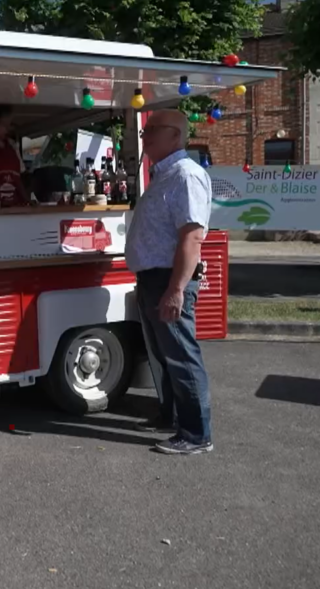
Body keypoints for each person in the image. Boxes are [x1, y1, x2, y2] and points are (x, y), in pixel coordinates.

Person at [124, 109, 213, 455]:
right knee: (163, 355)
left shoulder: (185, 176)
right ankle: (171, 417)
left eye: (151, 131)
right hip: (154, 277)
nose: (144, 136)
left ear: (175, 136)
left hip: (168, 278)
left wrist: (176, 289)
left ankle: (196, 435)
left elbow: (191, 239)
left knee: (181, 356)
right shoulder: (165, 174)